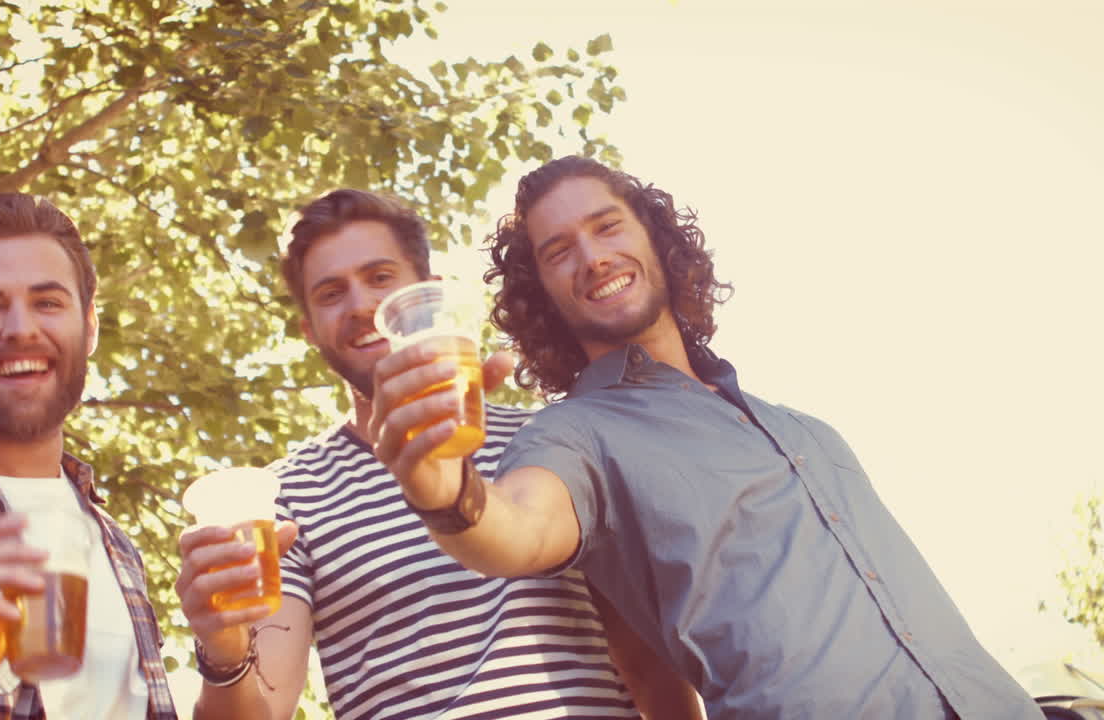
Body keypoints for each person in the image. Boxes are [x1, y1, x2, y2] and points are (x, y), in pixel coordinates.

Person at [370, 156, 1049, 720]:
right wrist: (447, 492)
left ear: (656, 237)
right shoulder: (576, 435)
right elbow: (515, 526)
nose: (594, 257)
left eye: (607, 227)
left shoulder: (804, 428)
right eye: (559, 252)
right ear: (541, 293)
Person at [174, 188, 699, 720]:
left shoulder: (556, 440)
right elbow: (263, 708)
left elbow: (648, 666)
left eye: (380, 278)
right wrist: (223, 651)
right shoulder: (287, 496)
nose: (360, 306)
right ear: (310, 329)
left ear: (428, 294)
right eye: (332, 293)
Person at [0, 193, 177, 719]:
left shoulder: (115, 544)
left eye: (47, 302)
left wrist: (228, 655)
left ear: (89, 328)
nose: (20, 329)